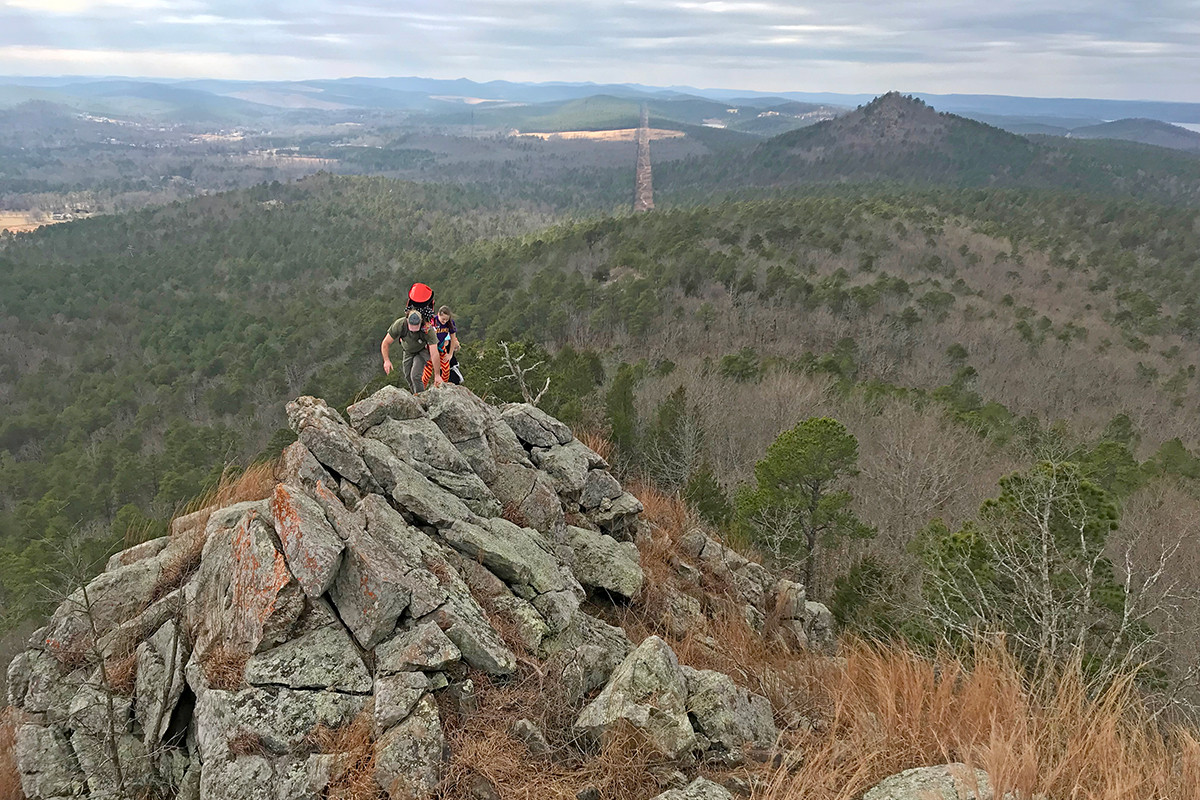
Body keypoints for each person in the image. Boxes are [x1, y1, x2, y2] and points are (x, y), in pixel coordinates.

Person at [381, 310, 443, 393]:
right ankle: (415, 395)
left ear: (421, 322)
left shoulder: (427, 329)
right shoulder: (400, 325)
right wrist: (386, 360)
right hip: (408, 351)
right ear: (407, 321)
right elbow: (386, 343)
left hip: (422, 350)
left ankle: (421, 398)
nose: (414, 330)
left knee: (415, 376)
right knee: (408, 376)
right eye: (412, 327)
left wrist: (437, 375)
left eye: (416, 327)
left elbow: (434, 353)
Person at [423, 305, 464, 386]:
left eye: (446, 319)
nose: (444, 321)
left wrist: (450, 354)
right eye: (443, 319)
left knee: (446, 369)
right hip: (431, 347)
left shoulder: (450, 323)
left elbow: (453, 338)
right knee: (427, 371)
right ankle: (420, 389)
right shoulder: (432, 321)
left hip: (441, 346)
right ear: (438, 314)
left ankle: (441, 386)